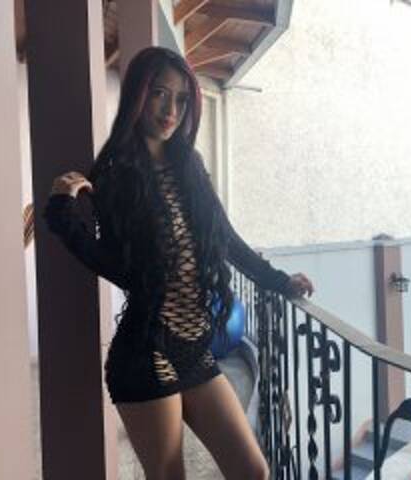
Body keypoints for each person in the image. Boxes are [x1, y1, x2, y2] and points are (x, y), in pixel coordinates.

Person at [42, 46, 314, 480]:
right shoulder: (115, 173)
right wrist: (62, 213)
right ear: (138, 95)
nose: (171, 110)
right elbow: (116, 266)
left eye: (181, 99)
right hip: (145, 351)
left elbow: (225, 238)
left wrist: (278, 281)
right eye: (159, 94)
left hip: (194, 352)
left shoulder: (189, 165)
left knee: (253, 470)